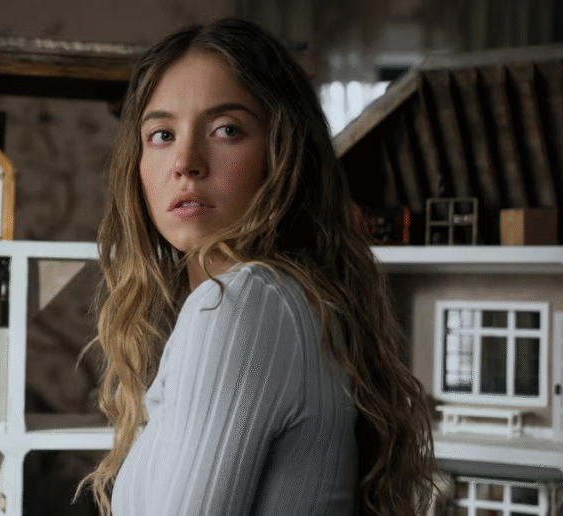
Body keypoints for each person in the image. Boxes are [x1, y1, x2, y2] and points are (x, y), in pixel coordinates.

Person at [79, 18, 437, 516]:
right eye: (161, 134)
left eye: (228, 130)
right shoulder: (288, 300)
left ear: (284, 155)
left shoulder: (241, 303)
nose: (186, 161)